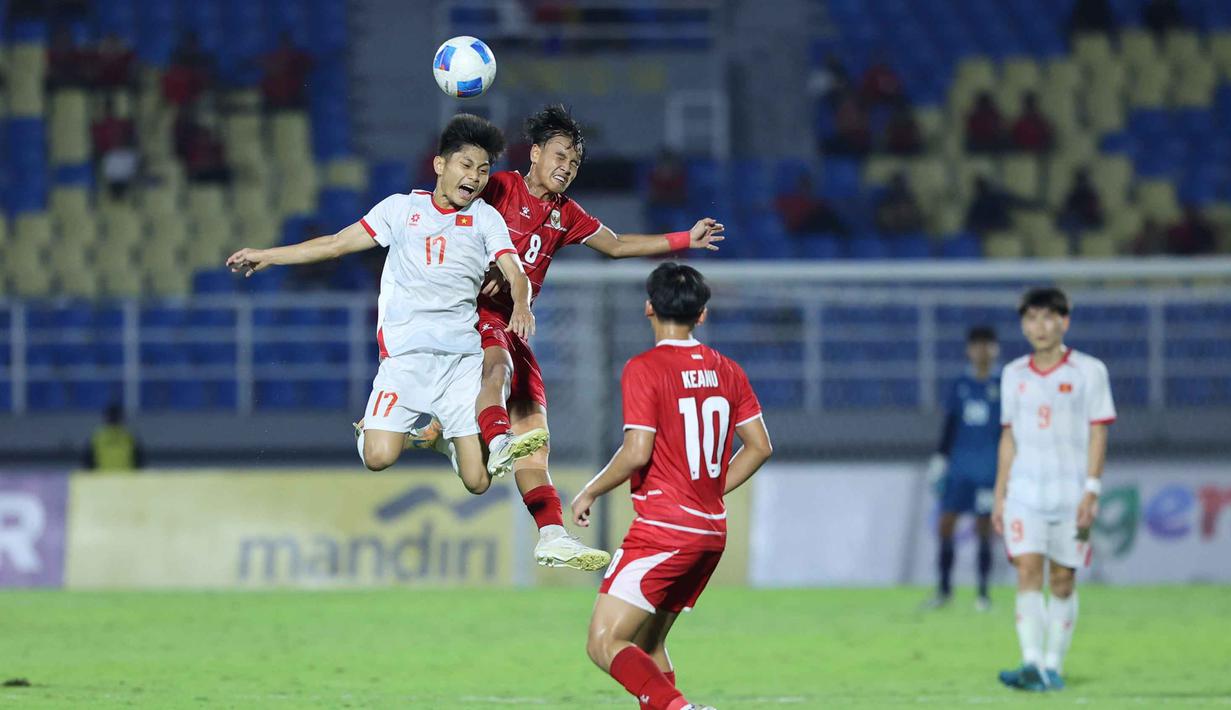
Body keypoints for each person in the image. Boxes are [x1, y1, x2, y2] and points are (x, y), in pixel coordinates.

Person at [460, 105, 724, 571]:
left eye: (575, 163)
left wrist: (686, 238)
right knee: (497, 374)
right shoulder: (498, 187)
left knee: (533, 441)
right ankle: (472, 433)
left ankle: (551, 534)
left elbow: (618, 245)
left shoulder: (567, 214)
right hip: (473, 318)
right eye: (559, 156)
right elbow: (450, 211)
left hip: (515, 327)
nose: (566, 167)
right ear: (536, 153)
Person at [226, 114, 547, 494]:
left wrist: (522, 305)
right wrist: (269, 256)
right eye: (466, 165)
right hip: (405, 359)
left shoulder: (485, 218)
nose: (475, 177)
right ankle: (387, 430)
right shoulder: (399, 210)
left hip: (461, 361)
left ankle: (443, 441)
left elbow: (517, 273)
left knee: (478, 482)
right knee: (378, 456)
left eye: (483, 170)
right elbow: (336, 244)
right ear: (440, 164)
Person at [571, 263, 773, 710]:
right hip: (709, 534)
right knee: (646, 646)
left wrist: (591, 489)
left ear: (649, 307)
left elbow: (637, 450)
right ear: (701, 315)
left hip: (663, 531)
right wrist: (709, 491)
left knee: (604, 641)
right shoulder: (728, 370)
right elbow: (759, 447)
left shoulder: (645, 368)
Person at [993, 287, 1115, 692]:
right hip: (1025, 493)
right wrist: (1000, 493)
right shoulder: (1013, 373)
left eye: (1048, 318)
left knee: (1063, 578)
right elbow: (1009, 436)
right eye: (1030, 319)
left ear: (1065, 321)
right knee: (1027, 570)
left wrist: (1092, 488)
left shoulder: (1089, 371)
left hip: (1071, 495)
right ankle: (1030, 662)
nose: (1039, 327)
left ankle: (1052, 663)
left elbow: (1099, 431)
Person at [923, 326, 1000, 611]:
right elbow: (950, 425)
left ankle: (982, 594)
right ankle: (944, 591)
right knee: (946, 524)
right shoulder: (959, 384)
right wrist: (940, 459)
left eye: (987, 345)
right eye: (977, 345)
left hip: (989, 470)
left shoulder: (1004, 384)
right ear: (969, 350)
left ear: (995, 349)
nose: (982, 351)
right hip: (959, 468)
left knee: (984, 528)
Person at [82, 403, 144, 472]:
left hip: (103, 480)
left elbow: (87, 464)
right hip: (125, 480)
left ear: (105, 418)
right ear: (122, 418)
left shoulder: (96, 438)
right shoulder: (130, 438)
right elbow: (140, 463)